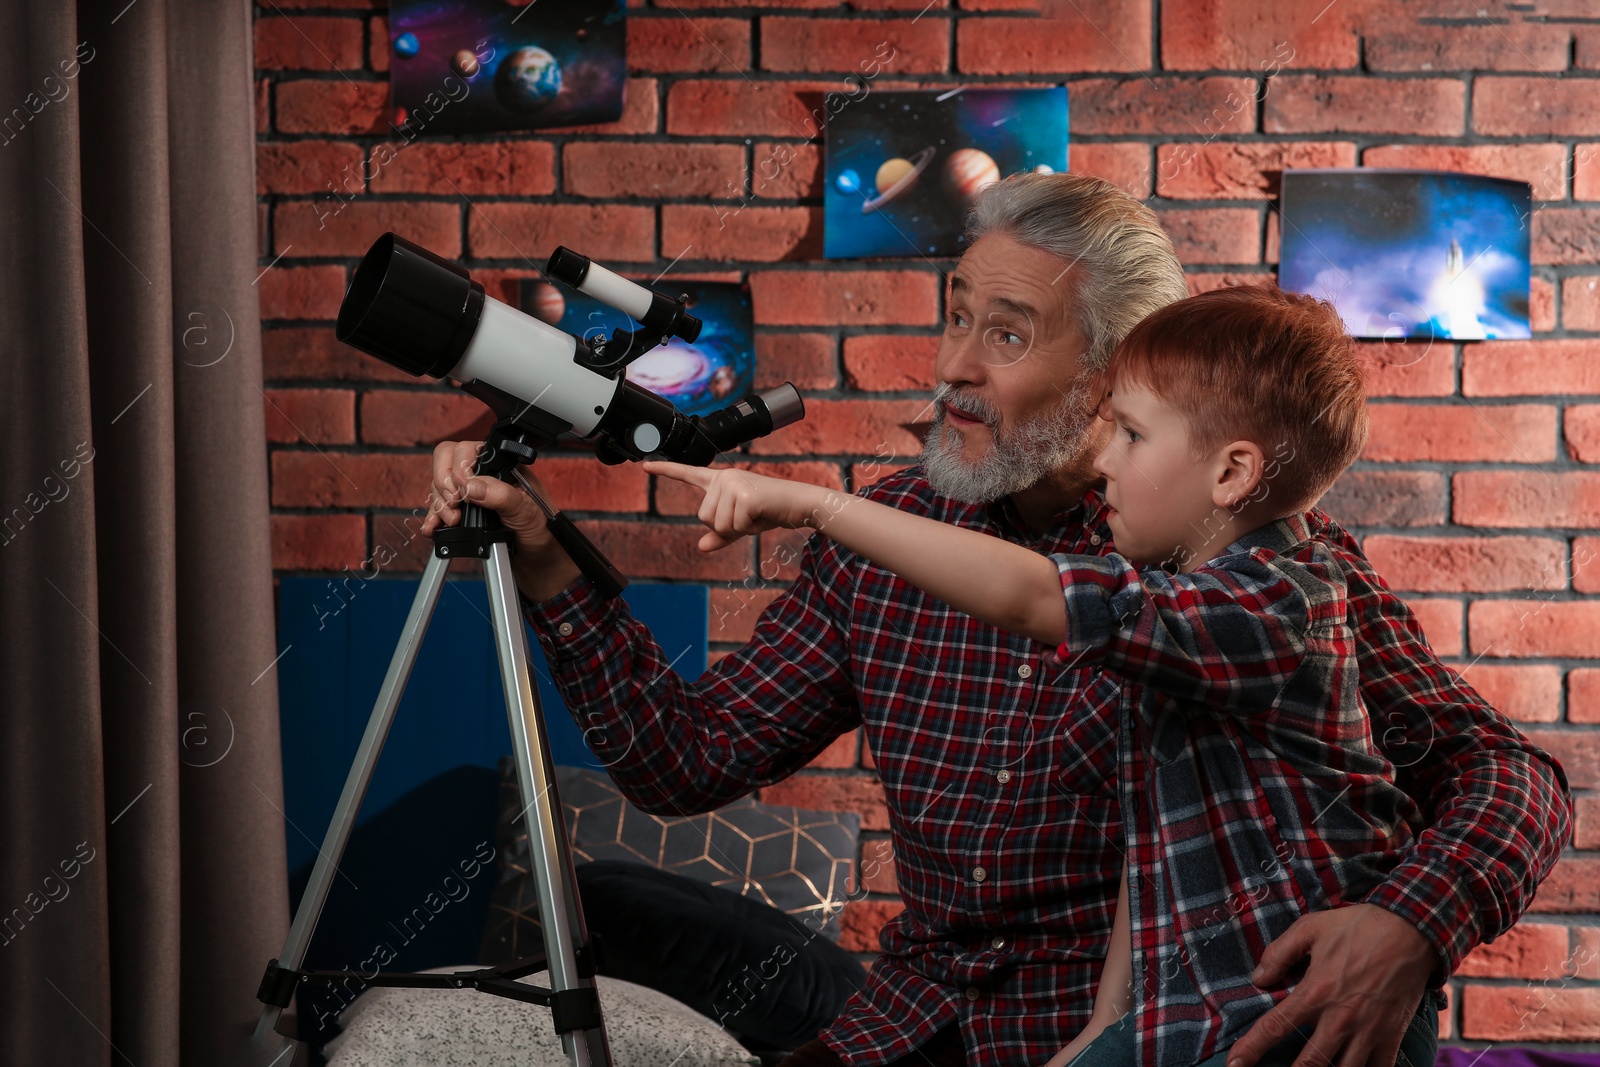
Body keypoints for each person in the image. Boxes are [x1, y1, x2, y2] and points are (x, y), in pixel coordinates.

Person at [419, 173, 1571, 1067]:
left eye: (1007, 334)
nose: (953, 367)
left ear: (1119, 370)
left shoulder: (1257, 578)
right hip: (915, 1009)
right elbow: (684, 759)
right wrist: (540, 551)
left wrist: (1406, 926)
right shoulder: (884, 537)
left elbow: (1509, 775)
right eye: (956, 316)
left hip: (1120, 1021)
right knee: (602, 902)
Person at [642, 284, 1438, 1067]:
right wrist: (1100, 1029)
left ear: (1231, 474)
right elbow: (1151, 854)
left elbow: (1029, 595)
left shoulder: (1272, 602)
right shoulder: (1184, 607)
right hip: (1191, 1009)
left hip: (1300, 1013)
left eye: (1129, 434)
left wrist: (818, 507)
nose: (1106, 459)